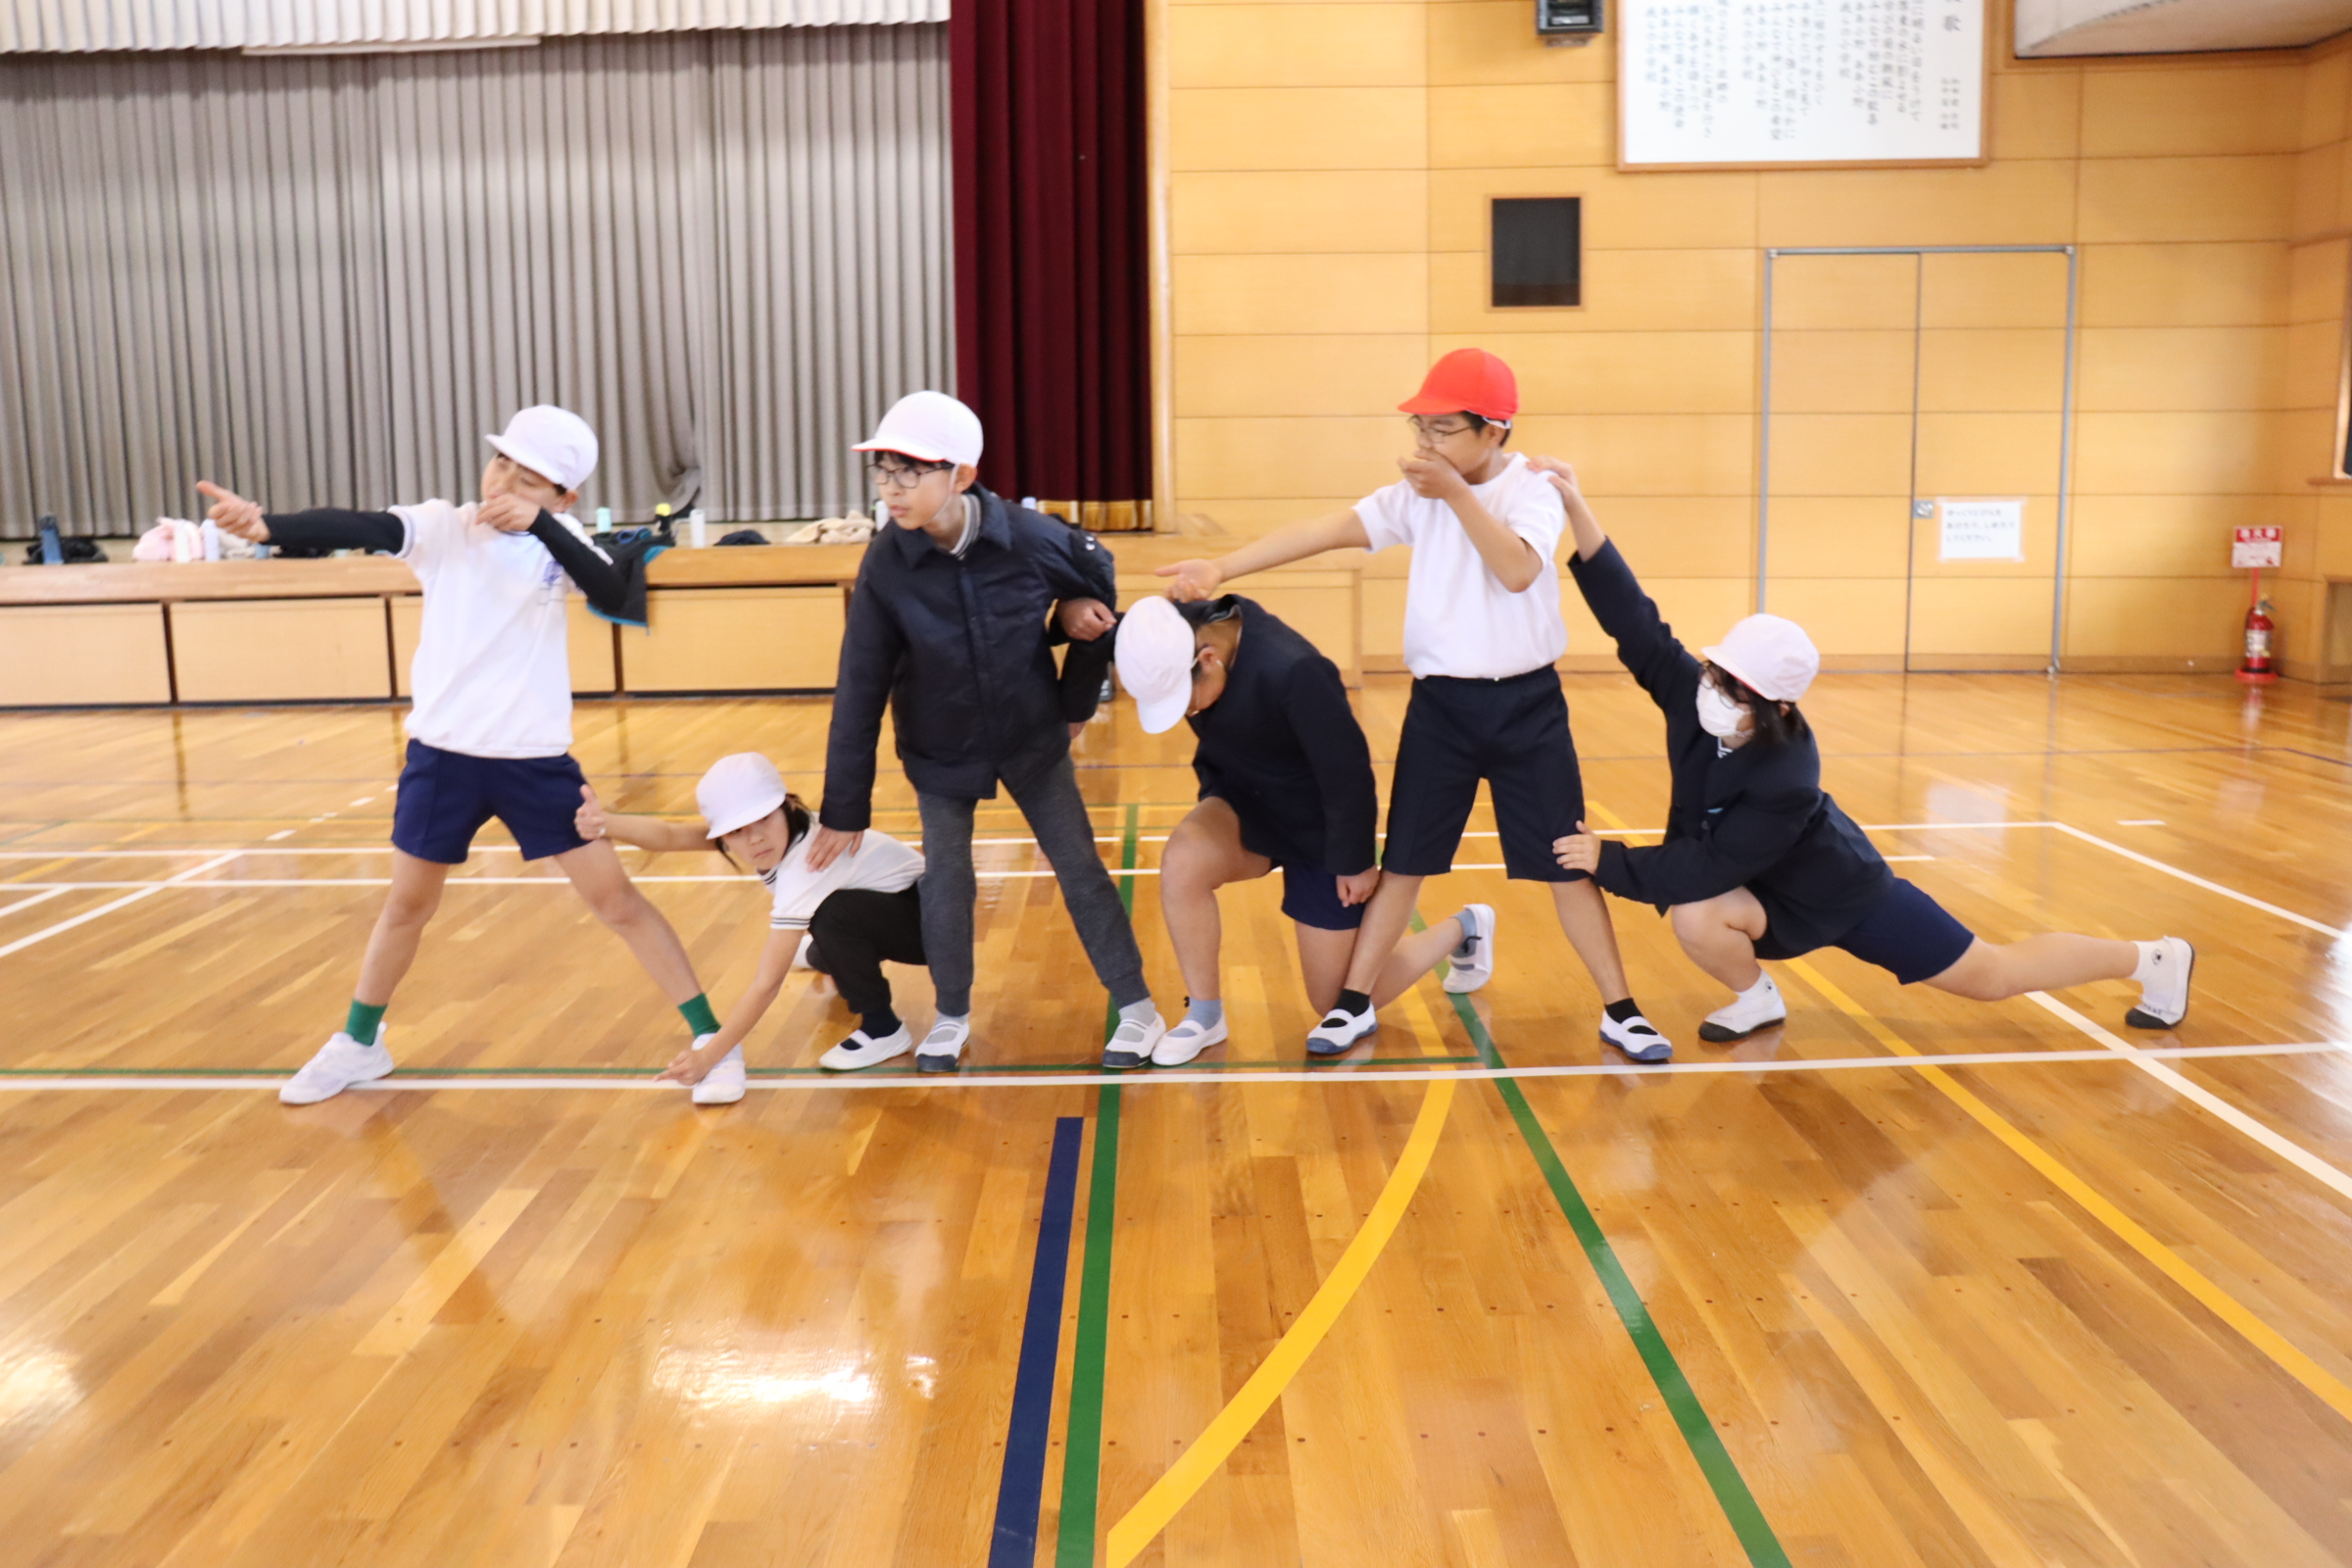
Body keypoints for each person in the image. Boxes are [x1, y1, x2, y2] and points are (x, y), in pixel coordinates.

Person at [1538, 455, 2194, 1037]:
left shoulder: (1786, 776)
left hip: (1839, 893)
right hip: (1754, 892)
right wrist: (1576, 506)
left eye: (1736, 687)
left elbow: (1708, 865)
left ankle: (2153, 959)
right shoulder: (1694, 698)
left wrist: (1608, 860)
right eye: (1717, 672)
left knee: (1991, 975)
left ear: (1778, 707)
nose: (1715, 689)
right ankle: (1756, 999)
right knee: (1695, 917)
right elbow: (1636, 622)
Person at [202, 406, 725, 1104]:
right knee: (406, 905)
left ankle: (711, 1039)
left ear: (563, 497)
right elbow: (364, 526)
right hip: (442, 758)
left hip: (534, 762)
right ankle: (360, 1043)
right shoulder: (444, 527)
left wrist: (542, 525)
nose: (503, 482)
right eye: (500, 463)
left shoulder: (562, 539)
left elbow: (608, 588)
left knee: (616, 901)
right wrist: (269, 527)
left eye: (528, 479)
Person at [1160, 349, 1670, 1062]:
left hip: (1529, 708)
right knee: (1405, 862)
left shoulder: (1532, 489)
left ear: (1494, 430)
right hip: (1441, 708)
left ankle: (1622, 1009)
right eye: (1420, 428)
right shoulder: (1417, 496)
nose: (1426, 443)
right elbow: (1328, 529)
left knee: (1565, 860)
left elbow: (1518, 570)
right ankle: (1352, 1004)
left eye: (1443, 429)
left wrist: (1455, 495)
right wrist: (1223, 567)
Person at [814, 391, 1160, 1072]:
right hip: (939, 746)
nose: (892, 488)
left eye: (910, 471)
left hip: (1031, 736)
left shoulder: (1030, 538)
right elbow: (859, 685)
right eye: (883, 471)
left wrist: (1073, 698)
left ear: (962, 476)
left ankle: (1139, 1007)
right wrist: (844, 805)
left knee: (1080, 868)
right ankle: (950, 1016)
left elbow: (1097, 586)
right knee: (947, 880)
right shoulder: (886, 562)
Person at [1112, 594, 1492, 1065]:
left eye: (1184, 702)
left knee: (1335, 1001)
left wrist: (1355, 861)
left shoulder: (1295, 670)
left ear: (1208, 659)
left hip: (1319, 829)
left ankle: (1466, 926)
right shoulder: (1173, 636)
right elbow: (1104, 621)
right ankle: (1205, 1015)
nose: (1187, 713)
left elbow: (1348, 772)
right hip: (1245, 803)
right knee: (1182, 860)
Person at [574, 753, 929, 1101]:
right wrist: (604, 823)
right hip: (893, 911)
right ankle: (827, 954)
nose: (755, 838)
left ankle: (883, 1028)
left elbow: (766, 984)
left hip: (930, 930)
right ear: (724, 836)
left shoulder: (807, 863)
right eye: (737, 831)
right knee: (826, 923)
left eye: (763, 819)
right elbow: (670, 836)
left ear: (787, 805)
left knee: (831, 914)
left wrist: (708, 1056)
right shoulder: (788, 830)